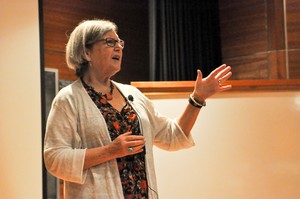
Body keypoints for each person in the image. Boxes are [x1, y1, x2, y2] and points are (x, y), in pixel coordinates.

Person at [44, 19, 232, 199]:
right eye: (110, 42)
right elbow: (54, 158)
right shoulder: (69, 99)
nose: (119, 47)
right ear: (86, 52)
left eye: (120, 43)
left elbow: (173, 136)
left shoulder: (133, 95)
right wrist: (110, 151)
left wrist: (197, 98)